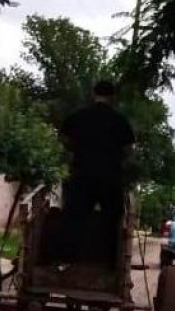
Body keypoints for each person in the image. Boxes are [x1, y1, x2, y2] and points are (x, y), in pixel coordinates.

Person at [57, 80, 136, 271]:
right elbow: (128, 149)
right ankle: (109, 264)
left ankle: (66, 260)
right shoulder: (120, 121)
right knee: (112, 218)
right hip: (110, 178)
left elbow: (64, 139)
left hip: (82, 175)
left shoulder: (78, 116)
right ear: (113, 96)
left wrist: (77, 153)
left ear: (94, 93)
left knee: (74, 216)